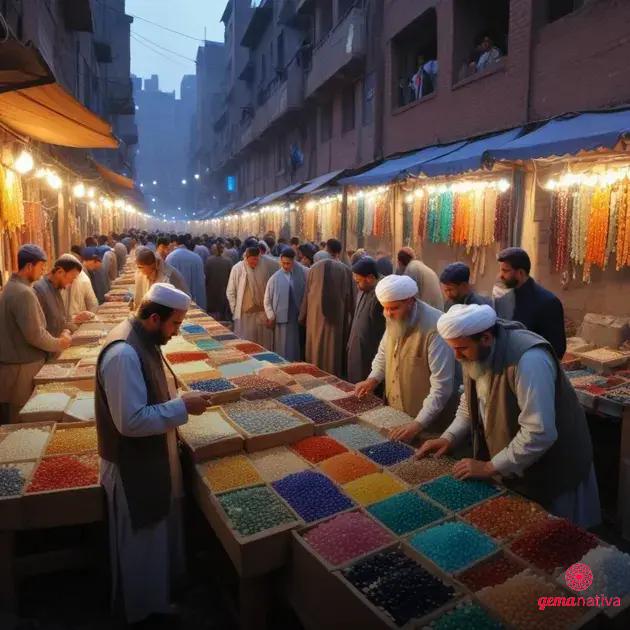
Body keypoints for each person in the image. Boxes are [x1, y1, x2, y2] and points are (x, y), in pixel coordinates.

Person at [419, 304, 600, 527]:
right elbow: (471, 401)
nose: (457, 356)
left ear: (485, 338)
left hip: (555, 466)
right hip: (519, 465)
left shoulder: (529, 361)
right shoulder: (474, 352)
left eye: (462, 349)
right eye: (453, 348)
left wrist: (488, 467)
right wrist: (449, 437)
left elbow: (539, 432)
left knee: (562, 540)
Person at [96, 283, 212, 624]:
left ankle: (158, 600)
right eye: (175, 325)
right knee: (140, 545)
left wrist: (178, 397)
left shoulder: (141, 338)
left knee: (154, 539)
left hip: (150, 455)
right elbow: (129, 422)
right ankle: (144, 612)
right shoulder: (123, 354)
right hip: (132, 463)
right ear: (155, 318)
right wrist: (182, 407)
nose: (177, 333)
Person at [355, 274, 457, 440]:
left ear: (410, 301)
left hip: (426, 422)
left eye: (394, 308)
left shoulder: (436, 327)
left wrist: (418, 423)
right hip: (395, 413)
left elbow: (442, 387)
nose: (387, 313)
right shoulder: (392, 317)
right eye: (384, 308)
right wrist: (372, 379)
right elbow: (383, 353)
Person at [0, 245, 72, 423]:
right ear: (29, 267)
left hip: (16, 366)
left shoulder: (12, 287)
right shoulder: (23, 293)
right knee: (21, 421)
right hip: (21, 369)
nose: (43, 272)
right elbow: (35, 335)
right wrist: (60, 343)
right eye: (41, 267)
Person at [494, 247, 566, 359]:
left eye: (505, 271)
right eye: (500, 270)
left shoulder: (548, 303)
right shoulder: (504, 299)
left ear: (520, 273)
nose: (500, 275)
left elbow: (557, 349)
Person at [300, 239, 354, 377]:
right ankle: (332, 379)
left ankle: (313, 376)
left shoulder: (314, 269)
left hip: (315, 318)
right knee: (332, 353)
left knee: (315, 349)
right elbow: (350, 300)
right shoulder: (346, 271)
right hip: (336, 321)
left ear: (326, 249)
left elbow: (306, 295)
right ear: (339, 252)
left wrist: (302, 317)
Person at [227, 246, 276, 348]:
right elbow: (230, 291)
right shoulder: (237, 268)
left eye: (257, 259)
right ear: (247, 257)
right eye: (253, 259)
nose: (255, 262)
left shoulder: (264, 267)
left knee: (262, 344)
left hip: (261, 312)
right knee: (246, 343)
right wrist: (235, 309)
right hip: (245, 314)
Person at [33, 255, 92, 340]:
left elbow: (59, 323)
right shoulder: (39, 291)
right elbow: (37, 333)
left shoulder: (56, 289)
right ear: (60, 272)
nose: (71, 282)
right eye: (72, 277)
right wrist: (58, 343)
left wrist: (77, 320)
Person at [264, 248, 308, 361]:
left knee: (293, 347)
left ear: (293, 262)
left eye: (288, 263)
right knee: (280, 348)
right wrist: (271, 316)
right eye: (283, 263)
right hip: (279, 320)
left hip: (294, 319)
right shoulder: (274, 278)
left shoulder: (300, 275)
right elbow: (267, 300)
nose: (286, 266)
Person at [347, 257, 385, 384]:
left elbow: (379, 332)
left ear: (370, 278)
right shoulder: (365, 289)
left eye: (358, 282)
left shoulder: (380, 295)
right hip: (356, 350)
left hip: (369, 356)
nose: (357, 286)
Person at [165, 235, 207, 310]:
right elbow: (201, 283)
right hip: (194, 301)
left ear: (176, 243)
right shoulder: (197, 258)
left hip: (175, 302)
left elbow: (167, 282)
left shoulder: (170, 257)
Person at [62, 251, 99, 321]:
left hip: (78, 324)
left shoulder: (83, 280)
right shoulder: (59, 280)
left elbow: (92, 305)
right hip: (66, 325)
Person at [204, 241, 233, 321]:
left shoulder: (209, 260)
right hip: (224, 288)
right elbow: (231, 276)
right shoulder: (228, 261)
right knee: (222, 309)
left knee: (212, 310)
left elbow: (206, 276)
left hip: (211, 289)